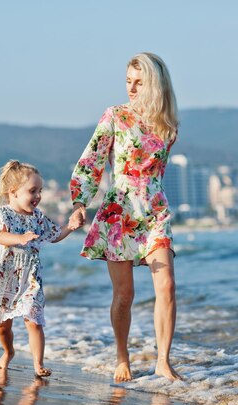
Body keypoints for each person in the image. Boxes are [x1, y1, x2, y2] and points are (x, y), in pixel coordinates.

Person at [69, 52, 181, 382]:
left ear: (155, 84)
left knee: (168, 286)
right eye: (128, 81)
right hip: (120, 211)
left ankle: (163, 361)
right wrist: (81, 203)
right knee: (125, 295)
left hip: (155, 211)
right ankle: (122, 356)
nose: (132, 88)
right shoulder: (115, 116)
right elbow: (92, 160)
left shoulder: (168, 124)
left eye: (139, 82)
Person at [0, 160, 79, 377]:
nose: (38, 196)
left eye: (40, 191)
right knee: (3, 325)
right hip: (4, 275)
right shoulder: (2, 213)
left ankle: (38, 365)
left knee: (34, 321)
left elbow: (54, 235)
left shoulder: (38, 218)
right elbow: (0, 236)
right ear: (13, 192)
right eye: (33, 191)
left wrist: (70, 226)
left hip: (30, 277)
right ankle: (8, 352)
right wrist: (20, 238)